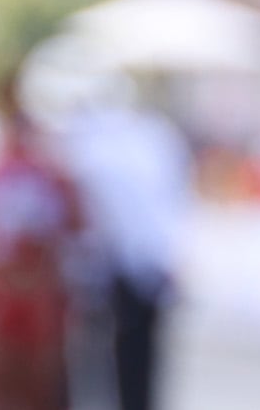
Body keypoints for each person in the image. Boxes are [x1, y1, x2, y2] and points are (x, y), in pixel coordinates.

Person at [54, 83, 191, 410]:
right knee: (123, 366)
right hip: (126, 271)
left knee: (116, 366)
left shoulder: (98, 146)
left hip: (122, 272)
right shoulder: (145, 141)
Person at [0, 81, 84, 410]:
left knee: (12, 392)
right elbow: (77, 228)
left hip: (17, 295)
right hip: (30, 295)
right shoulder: (52, 174)